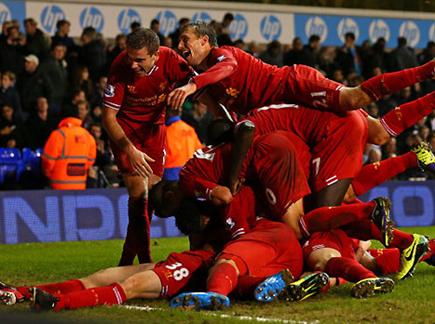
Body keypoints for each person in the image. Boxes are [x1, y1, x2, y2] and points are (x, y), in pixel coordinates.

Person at [167, 22, 435, 146]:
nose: (180, 46)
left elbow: (229, 68)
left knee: (354, 98)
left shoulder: (222, 54)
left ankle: (426, 71)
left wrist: (191, 86)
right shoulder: (205, 84)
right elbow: (223, 118)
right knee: (377, 136)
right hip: (281, 115)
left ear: (204, 41)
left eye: (185, 39)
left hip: (293, 86)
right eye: (178, 41)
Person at [102, 28, 193, 265]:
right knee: (138, 194)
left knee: (152, 196)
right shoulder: (121, 66)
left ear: (156, 55)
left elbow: (199, 78)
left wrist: (189, 89)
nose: (132, 64)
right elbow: (108, 117)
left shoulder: (171, 60)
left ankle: (125, 260)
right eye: (130, 57)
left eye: (139, 60)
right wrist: (130, 150)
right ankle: (145, 261)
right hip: (126, 132)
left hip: (154, 129)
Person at [41, 115, 96, 190]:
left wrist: (48, 174)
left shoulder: (58, 135)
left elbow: (48, 161)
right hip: (80, 186)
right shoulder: (88, 136)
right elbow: (90, 160)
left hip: (58, 186)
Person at [163, 108, 202, 181]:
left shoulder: (165, 130)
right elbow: (198, 150)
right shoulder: (189, 129)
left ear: (168, 111)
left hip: (170, 174)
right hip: (189, 172)